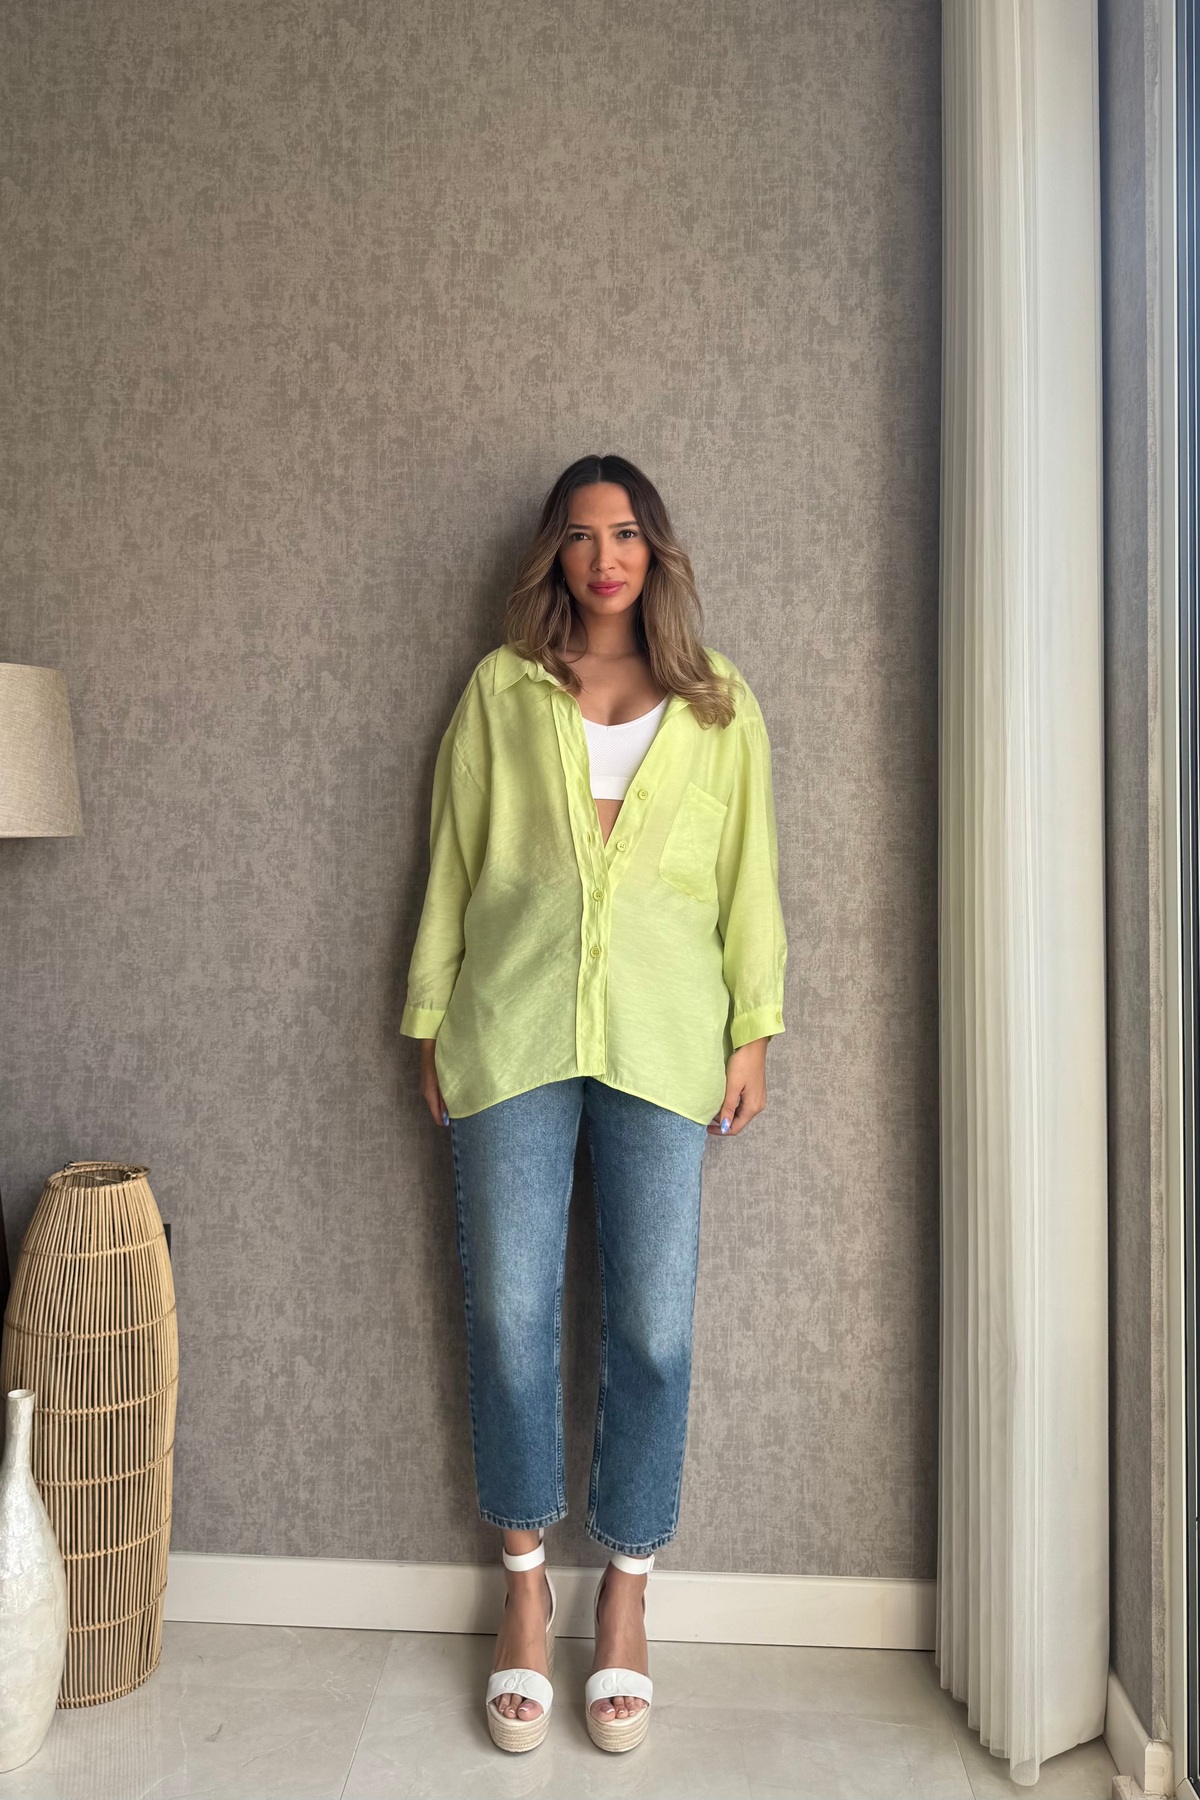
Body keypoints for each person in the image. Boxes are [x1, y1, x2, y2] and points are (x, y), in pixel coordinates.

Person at [399, 453, 788, 1754]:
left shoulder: (720, 701)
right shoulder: (502, 691)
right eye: (581, 534)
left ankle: (626, 1590)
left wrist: (753, 1030)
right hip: (510, 1030)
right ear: (555, 554)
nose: (605, 556)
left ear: (654, 550)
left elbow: (749, 878)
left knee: (654, 1328)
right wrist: (430, 1016)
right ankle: (525, 1590)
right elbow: (454, 859)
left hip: (667, 1043)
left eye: (626, 533)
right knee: (509, 1314)